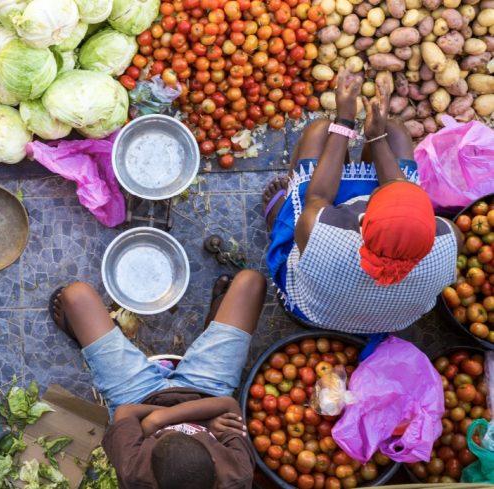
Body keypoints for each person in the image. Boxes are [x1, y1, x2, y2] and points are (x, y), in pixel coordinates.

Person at [263, 67, 460, 334]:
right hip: (387, 320)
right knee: (394, 133)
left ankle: (281, 216)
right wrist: (376, 135)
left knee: (320, 133)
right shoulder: (451, 240)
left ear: (364, 217)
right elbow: (397, 188)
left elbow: (318, 196)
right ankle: (378, 137)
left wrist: (343, 121)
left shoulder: (325, 236)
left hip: (313, 309)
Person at [50, 271, 265, 488]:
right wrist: (196, 423)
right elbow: (229, 404)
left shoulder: (134, 472)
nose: (176, 428)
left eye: (161, 437)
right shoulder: (237, 475)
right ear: (213, 459)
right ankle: (212, 325)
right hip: (206, 392)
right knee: (252, 283)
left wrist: (157, 419)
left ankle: (88, 342)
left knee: (76, 296)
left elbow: (126, 412)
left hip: (139, 399)